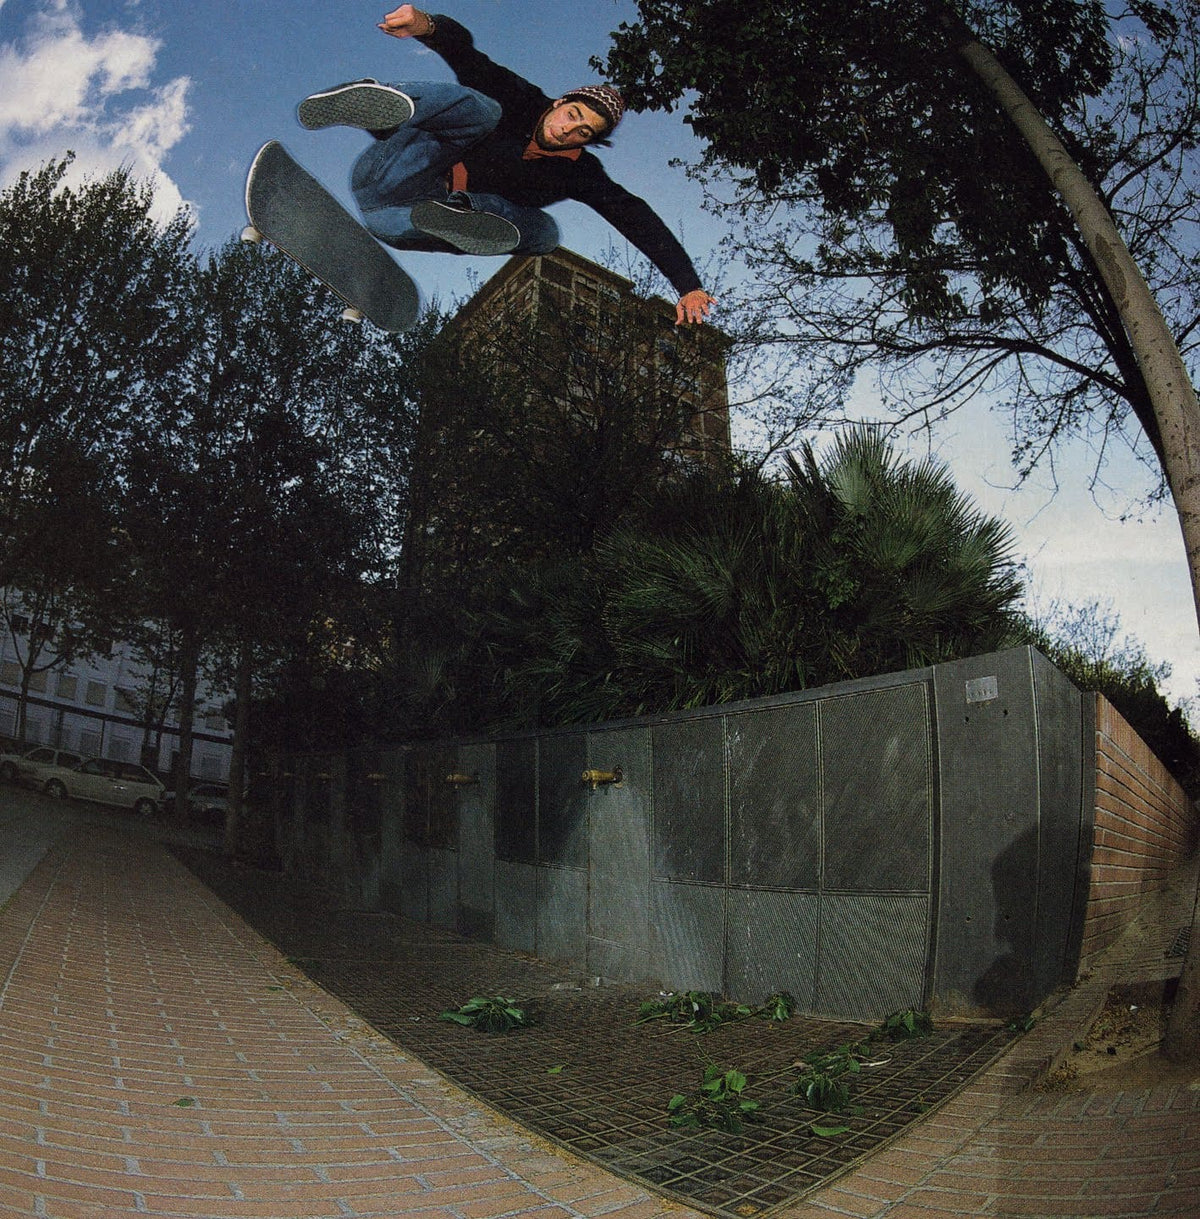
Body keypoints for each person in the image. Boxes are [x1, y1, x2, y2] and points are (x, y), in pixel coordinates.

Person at [298, 5, 716, 326]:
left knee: (546, 234)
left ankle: (458, 215)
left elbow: (635, 216)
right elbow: (468, 56)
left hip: (399, 221)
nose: (569, 132)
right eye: (571, 115)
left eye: (584, 133)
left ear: (590, 142)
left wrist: (688, 285)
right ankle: (378, 106)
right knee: (482, 109)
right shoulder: (521, 98)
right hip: (390, 171)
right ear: (559, 103)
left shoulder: (580, 172)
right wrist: (427, 25)